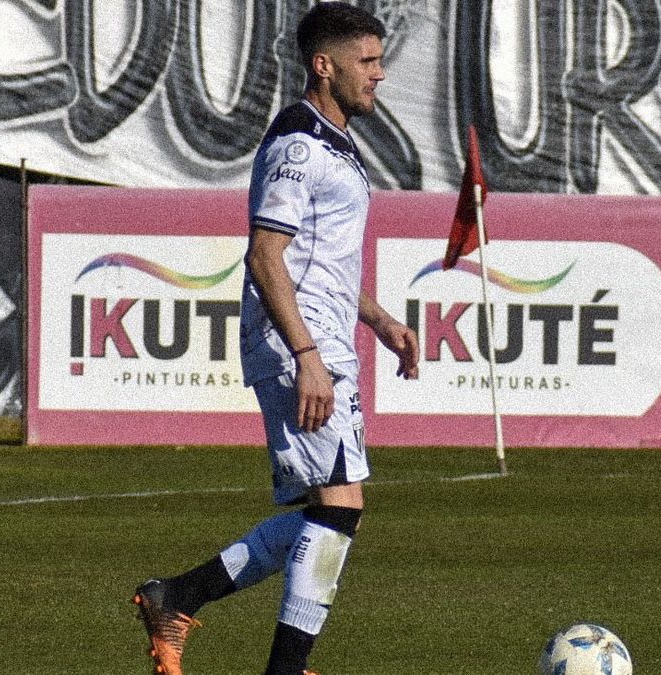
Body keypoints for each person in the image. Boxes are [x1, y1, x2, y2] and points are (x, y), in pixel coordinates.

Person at [131, 3, 419, 675]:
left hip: (320, 342)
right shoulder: (298, 143)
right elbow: (266, 255)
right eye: (367, 62)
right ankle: (281, 667)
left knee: (333, 511)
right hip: (301, 346)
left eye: (380, 60)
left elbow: (320, 263)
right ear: (325, 66)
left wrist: (378, 320)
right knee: (340, 505)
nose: (379, 74)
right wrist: (307, 357)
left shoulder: (336, 142)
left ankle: (177, 595)